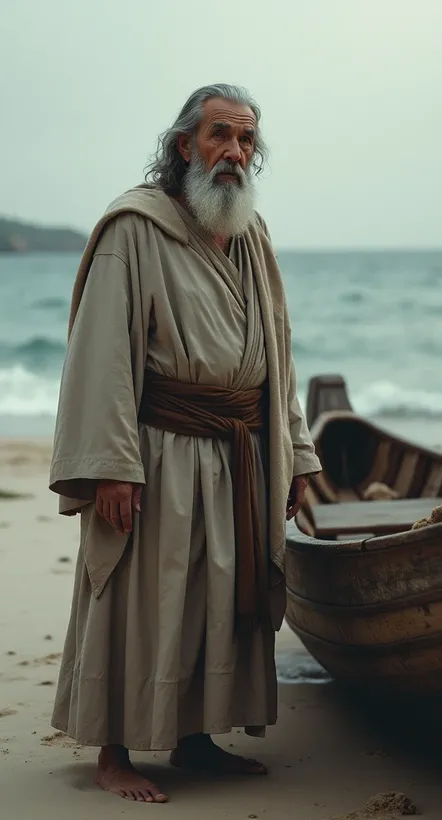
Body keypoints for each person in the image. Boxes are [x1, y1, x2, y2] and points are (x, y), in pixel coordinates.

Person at [49, 83, 321, 803]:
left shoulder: (251, 234)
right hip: (157, 450)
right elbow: (102, 355)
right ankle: (113, 751)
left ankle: (196, 740)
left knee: (211, 595)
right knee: (138, 594)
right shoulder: (133, 228)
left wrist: (296, 452)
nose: (235, 152)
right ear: (183, 145)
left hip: (238, 455)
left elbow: (278, 353)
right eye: (220, 136)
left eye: (247, 140)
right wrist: (111, 464)